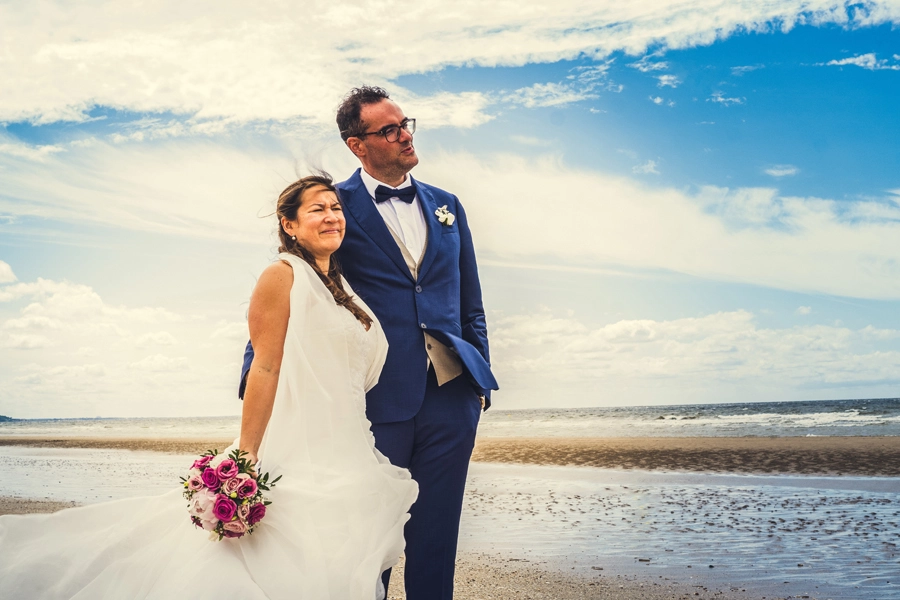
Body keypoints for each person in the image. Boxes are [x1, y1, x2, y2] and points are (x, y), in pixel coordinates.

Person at [0, 174, 418, 600]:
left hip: (347, 446)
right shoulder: (282, 276)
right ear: (289, 224)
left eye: (336, 208)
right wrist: (247, 452)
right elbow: (265, 367)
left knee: (339, 562)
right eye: (318, 209)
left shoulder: (341, 288)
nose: (332, 217)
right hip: (299, 447)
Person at [240, 86, 498, 599]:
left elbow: (470, 297)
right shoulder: (334, 207)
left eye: (405, 124)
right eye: (389, 130)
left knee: (437, 534)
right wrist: (256, 373)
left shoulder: (447, 205)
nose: (404, 135)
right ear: (357, 145)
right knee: (367, 537)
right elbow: (297, 284)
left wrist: (478, 378)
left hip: (451, 395)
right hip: (375, 398)